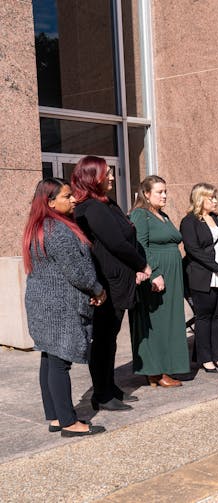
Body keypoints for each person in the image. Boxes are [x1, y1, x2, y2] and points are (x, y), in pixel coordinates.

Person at [24, 178, 107, 436]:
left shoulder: (40, 226)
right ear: (50, 202)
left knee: (50, 357)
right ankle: (69, 422)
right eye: (67, 196)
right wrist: (97, 289)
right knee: (60, 361)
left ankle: (56, 416)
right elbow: (77, 271)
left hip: (44, 303)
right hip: (58, 306)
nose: (73, 200)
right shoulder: (57, 229)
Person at [72, 156, 150, 412]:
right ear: (93, 177)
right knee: (103, 339)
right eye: (108, 174)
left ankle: (109, 385)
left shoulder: (105, 203)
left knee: (111, 338)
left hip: (118, 281)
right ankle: (102, 394)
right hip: (107, 283)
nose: (113, 178)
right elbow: (116, 242)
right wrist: (141, 265)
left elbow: (127, 234)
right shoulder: (91, 208)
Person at [129, 176, 189, 387]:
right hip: (156, 275)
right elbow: (139, 245)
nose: (164, 195)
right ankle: (155, 371)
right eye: (159, 192)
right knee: (156, 323)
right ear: (146, 194)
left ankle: (167, 366)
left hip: (172, 274)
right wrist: (155, 272)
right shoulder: (140, 215)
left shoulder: (161, 215)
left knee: (170, 322)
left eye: (165, 191)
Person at [180, 183, 218, 372]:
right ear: (200, 199)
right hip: (202, 276)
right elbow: (194, 251)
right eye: (211, 197)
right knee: (204, 317)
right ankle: (205, 358)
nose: (215, 201)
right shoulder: (189, 221)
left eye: (215, 197)